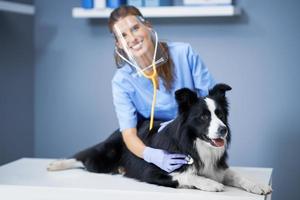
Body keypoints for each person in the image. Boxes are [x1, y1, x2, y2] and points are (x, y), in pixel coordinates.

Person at [108, 5, 216, 173]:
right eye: (123, 36)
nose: (132, 38)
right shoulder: (122, 80)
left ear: (148, 26)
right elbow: (129, 134)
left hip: (194, 135)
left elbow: (211, 102)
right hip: (156, 141)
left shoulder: (183, 53)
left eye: (135, 28)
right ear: (119, 45)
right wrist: (151, 155)